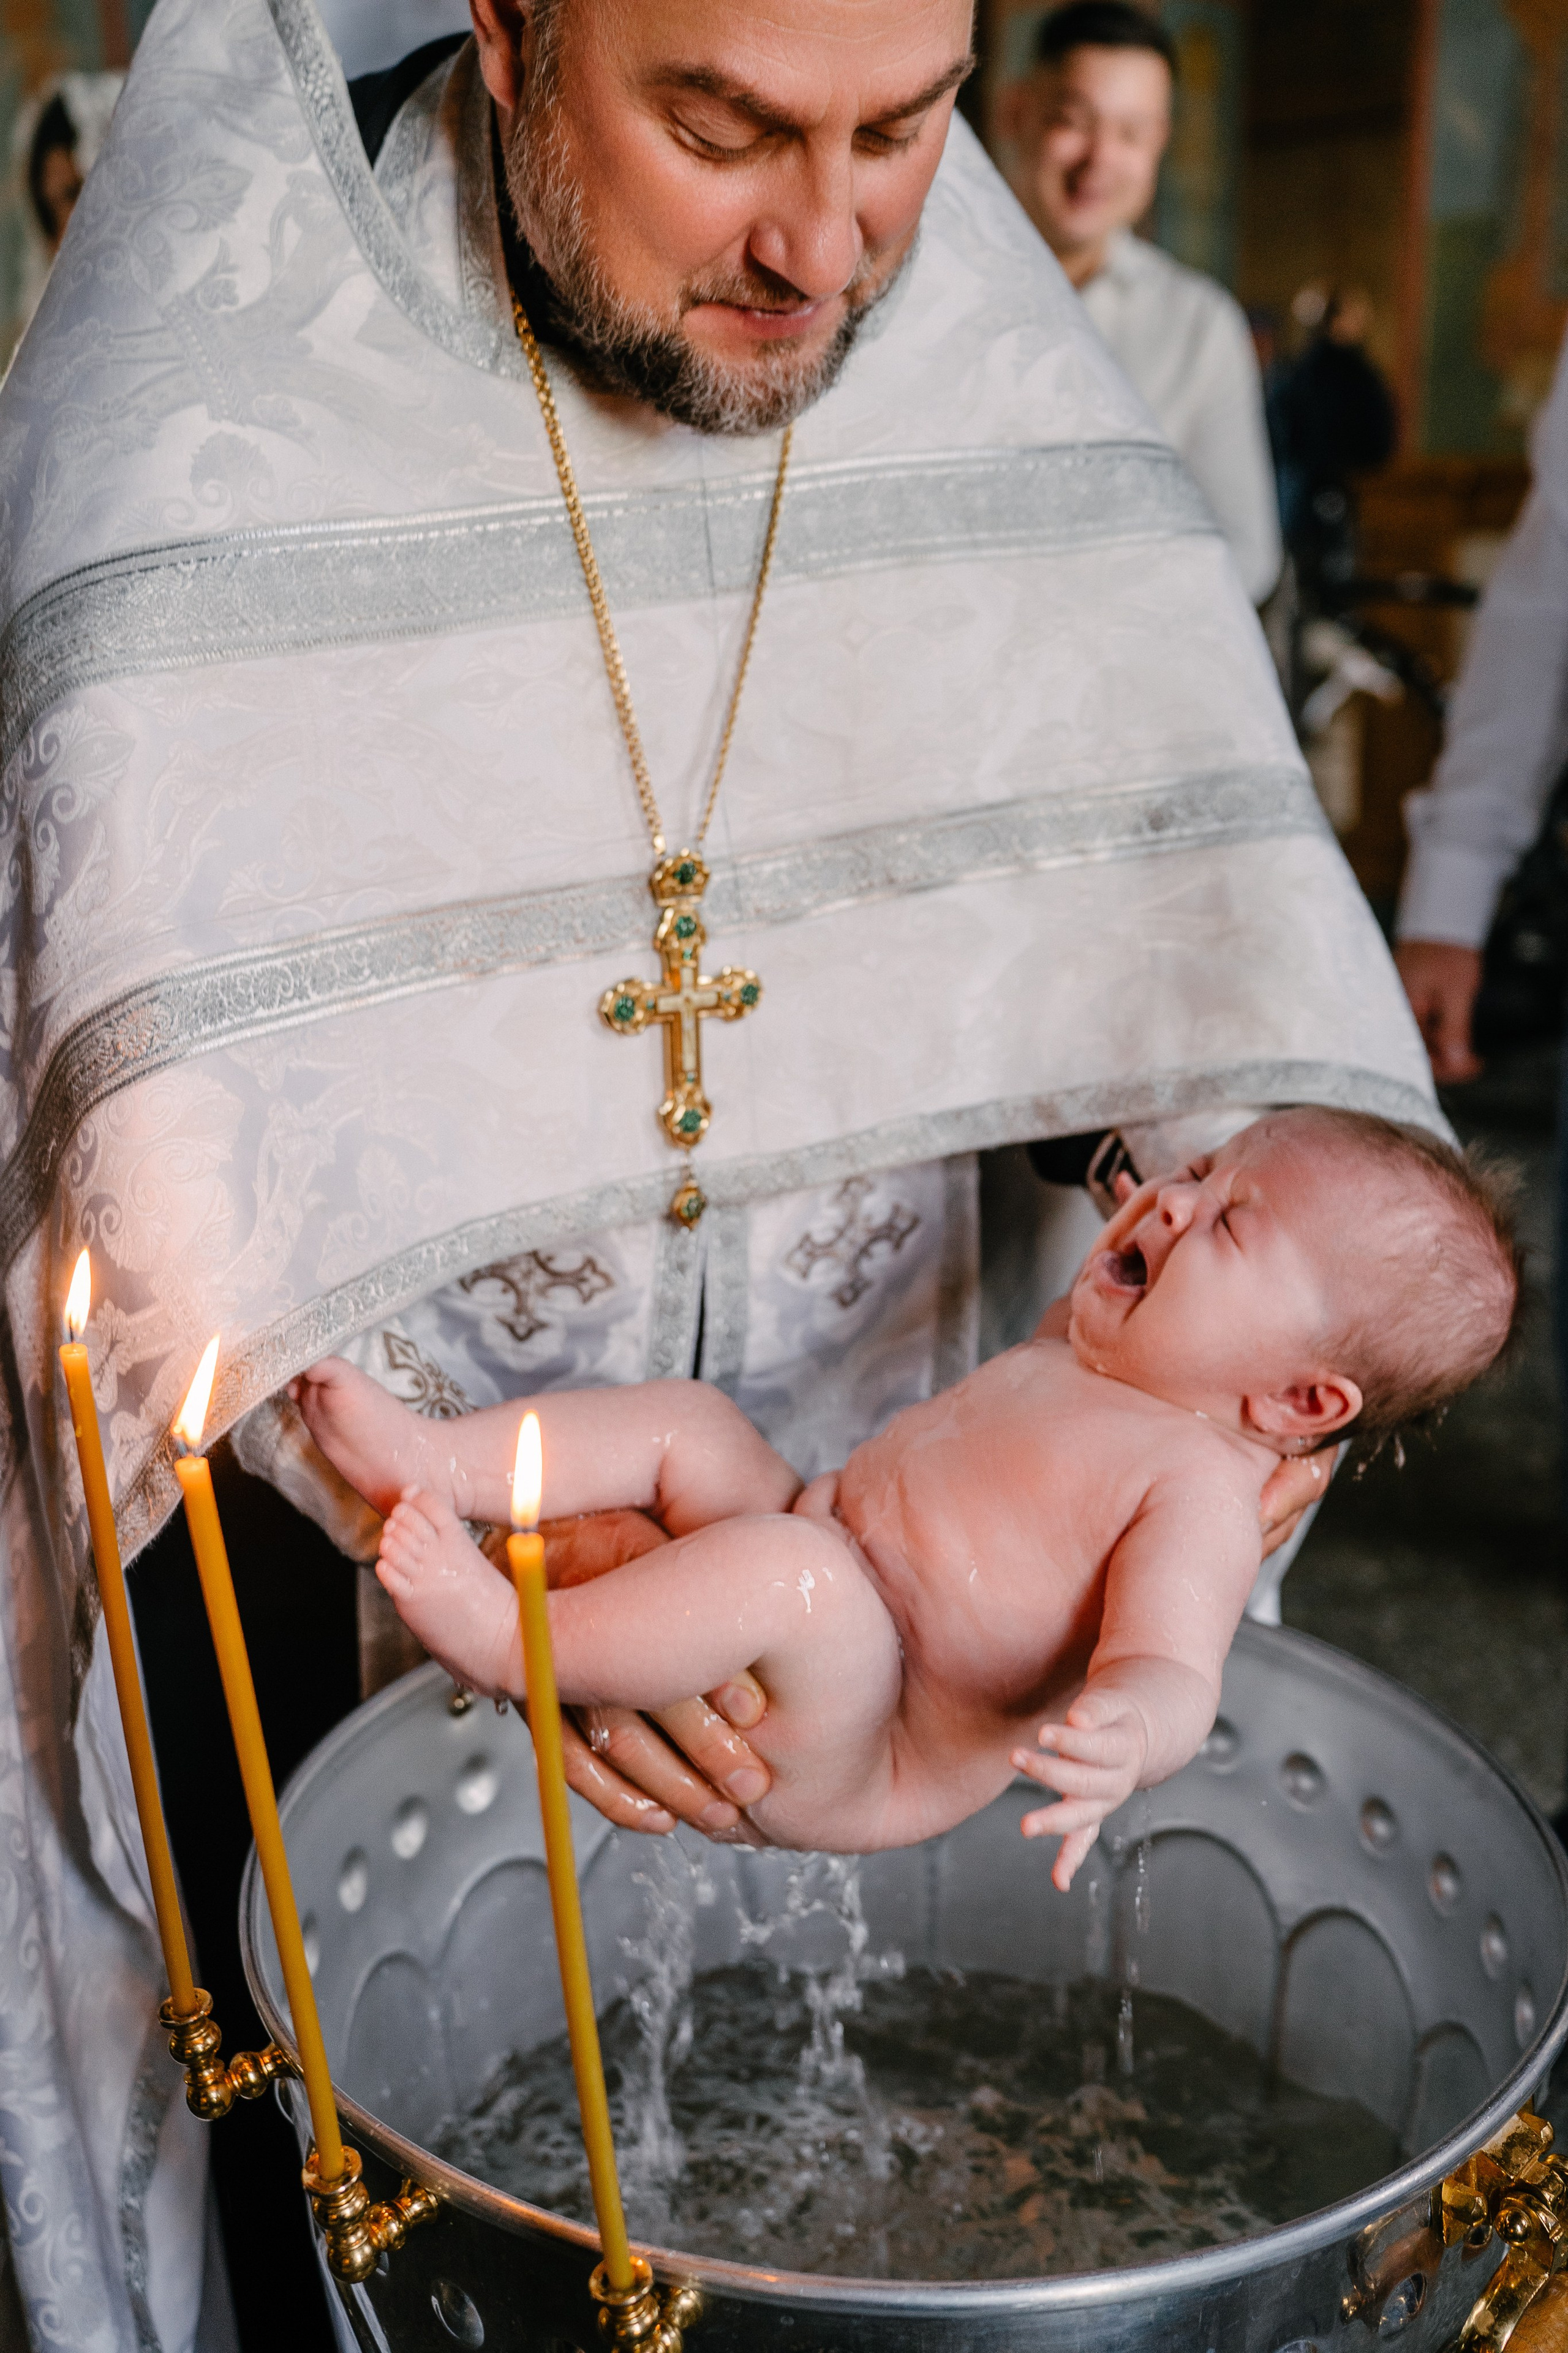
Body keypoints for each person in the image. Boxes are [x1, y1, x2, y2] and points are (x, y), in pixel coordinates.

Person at [0, 0, 1438, 2343]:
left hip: (895, 1519)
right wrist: (419, 1483)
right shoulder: (204, 407)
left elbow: (1211, 980)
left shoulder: (984, 372)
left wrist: (1226, 1312)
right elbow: (115, 1054)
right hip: (338, 1547)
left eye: (900, 127)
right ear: (506, 26)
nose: (824, 244)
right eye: (721, 126)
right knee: (357, 2206)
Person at [293, 1108, 1515, 1881]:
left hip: (872, 1735)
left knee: (795, 1575)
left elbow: (1175, 1669)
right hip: (821, 1566)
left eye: (1230, 1224)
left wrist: (1122, 1738)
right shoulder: (1094, 1346)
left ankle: (511, 1638)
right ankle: (433, 1460)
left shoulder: (1195, 1485)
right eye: (1197, 1166)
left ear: (1299, 1409)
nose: (1170, 1199)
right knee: (692, 1424)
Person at [997, 0, 1281, 602]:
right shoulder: (929, 286)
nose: (1099, 160)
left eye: (1129, 133)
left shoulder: (1199, 325)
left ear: (1159, 144)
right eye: (1072, 121)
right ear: (1015, 112)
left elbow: (1245, 554)